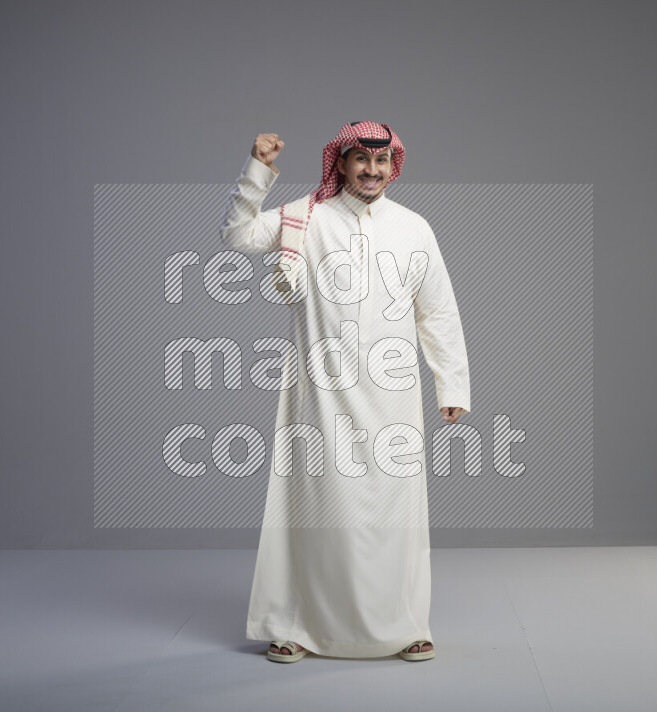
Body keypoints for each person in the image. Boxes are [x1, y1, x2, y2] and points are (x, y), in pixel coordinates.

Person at [219, 122, 470, 662]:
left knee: (392, 511)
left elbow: (438, 311)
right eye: (362, 161)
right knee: (314, 507)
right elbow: (237, 237)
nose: (372, 172)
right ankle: (298, 624)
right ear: (341, 163)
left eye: (382, 163)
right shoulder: (303, 219)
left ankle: (404, 624)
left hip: (393, 395)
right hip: (319, 392)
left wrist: (450, 382)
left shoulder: (413, 228)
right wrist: (258, 169)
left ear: (394, 165)